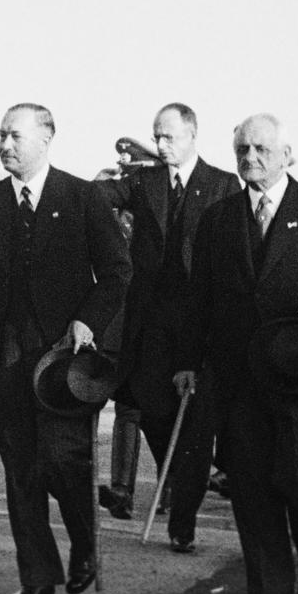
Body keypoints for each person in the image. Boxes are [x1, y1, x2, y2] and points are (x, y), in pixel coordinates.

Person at [176, 114, 298, 594]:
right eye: (242, 150)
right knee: (252, 486)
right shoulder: (219, 218)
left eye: (261, 149)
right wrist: (188, 362)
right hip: (239, 378)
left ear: (287, 153)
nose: (250, 159)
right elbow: (199, 301)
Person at [0, 104, 132, 594]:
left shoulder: (82, 197)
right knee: (20, 466)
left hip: (63, 362)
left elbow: (118, 271)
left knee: (63, 459)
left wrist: (88, 320)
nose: (5, 145)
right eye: (1, 136)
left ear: (47, 137)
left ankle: (85, 544)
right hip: (6, 358)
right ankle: (36, 575)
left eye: (14, 136)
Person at [96, 103, 239, 551]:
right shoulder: (144, 180)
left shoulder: (222, 185)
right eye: (156, 137)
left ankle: (183, 523)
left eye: (168, 138)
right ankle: (175, 476)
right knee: (150, 407)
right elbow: (98, 196)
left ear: (193, 134)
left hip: (201, 320)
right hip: (153, 321)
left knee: (195, 424)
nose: (160, 146)